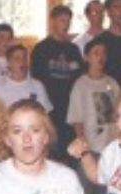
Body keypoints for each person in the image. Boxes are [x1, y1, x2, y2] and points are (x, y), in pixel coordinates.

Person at [67, 38, 119, 194]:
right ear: (86, 57)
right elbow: (77, 119)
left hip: (110, 147)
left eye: (103, 53)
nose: (101, 57)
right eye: (96, 53)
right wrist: (84, 148)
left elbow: (119, 115)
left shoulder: (112, 83)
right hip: (91, 147)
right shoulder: (81, 85)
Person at [31, 5, 85, 160]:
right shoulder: (41, 49)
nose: (66, 24)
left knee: (71, 154)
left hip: (70, 110)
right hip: (50, 110)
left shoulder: (73, 50)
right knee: (50, 152)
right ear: (53, 22)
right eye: (62, 20)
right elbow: (37, 82)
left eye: (68, 21)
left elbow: (80, 80)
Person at [0, 45, 53, 112]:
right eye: (17, 58)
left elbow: (45, 113)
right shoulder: (0, 89)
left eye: (24, 58)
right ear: (8, 63)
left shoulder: (37, 86)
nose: (22, 62)